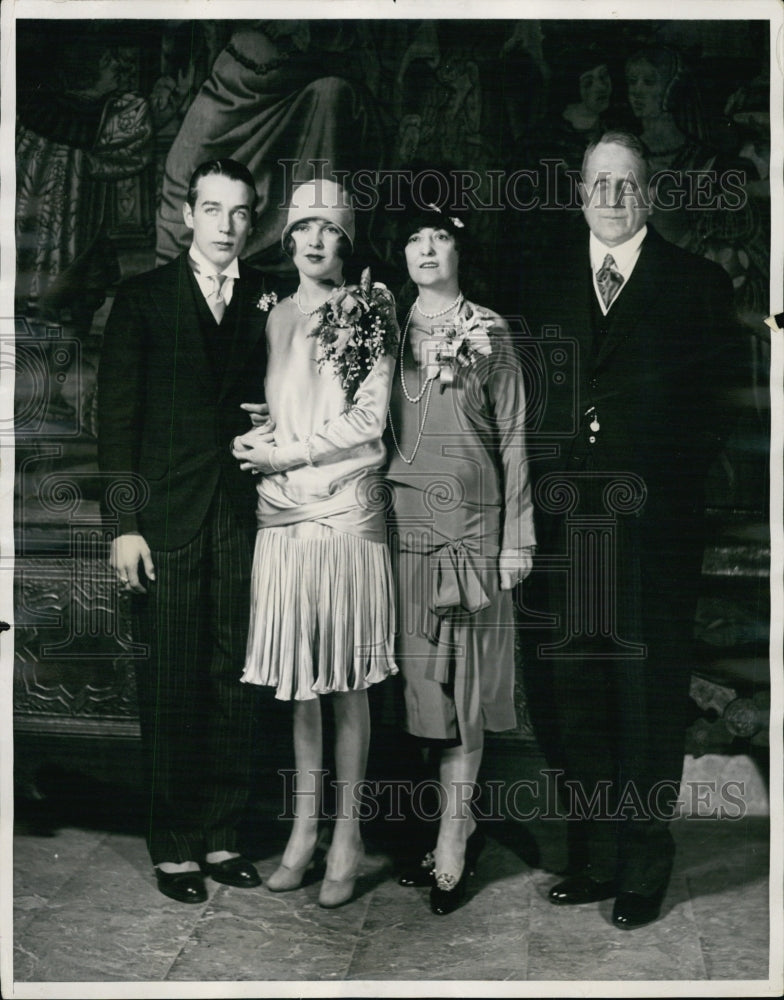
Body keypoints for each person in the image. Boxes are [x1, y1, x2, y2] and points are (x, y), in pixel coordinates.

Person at [524, 131, 738, 929]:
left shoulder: (697, 284)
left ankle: (644, 864)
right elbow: (526, 401)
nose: (611, 197)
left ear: (647, 194)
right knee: (577, 695)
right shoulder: (543, 282)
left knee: (647, 699)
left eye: (626, 183)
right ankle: (594, 857)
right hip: (565, 530)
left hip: (653, 533)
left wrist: (645, 467)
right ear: (580, 192)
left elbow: (716, 410)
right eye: (599, 183)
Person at [97, 158, 272, 904]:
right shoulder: (141, 299)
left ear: (252, 220)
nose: (227, 226)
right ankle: (173, 844)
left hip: (245, 514)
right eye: (213, 209)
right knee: (171, 679)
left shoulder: (272, 296)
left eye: (240, 212)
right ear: (187, 215)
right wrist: (123, 526)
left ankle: (223, 834)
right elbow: (116, 422)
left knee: (235, 677)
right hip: (163, 520)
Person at [231, 180, 398, 909]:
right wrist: (260, 433)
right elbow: (285, 404)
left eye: (331, 229)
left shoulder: (372, 308)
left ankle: (349, 836)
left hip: (344, 510)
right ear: (290, 237)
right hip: (282, 512)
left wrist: (284, 453)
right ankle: (304, 833)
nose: (316, 240)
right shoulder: (273, 314)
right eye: (304, 227)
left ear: (346, 242)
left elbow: (368, 419)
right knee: (300, 684)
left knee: (348, 683)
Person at [385, 204, 536, 915]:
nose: (426, 249)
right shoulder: (380, 329)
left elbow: (514, 437)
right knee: (424, 693)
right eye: (415, 238)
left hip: (473, 532)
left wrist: (517, 537)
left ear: (459, 250)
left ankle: (453, 839)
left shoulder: (491, 330)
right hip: (403, 529)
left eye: (440, 236)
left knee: (466, 691)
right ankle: (450, 823)